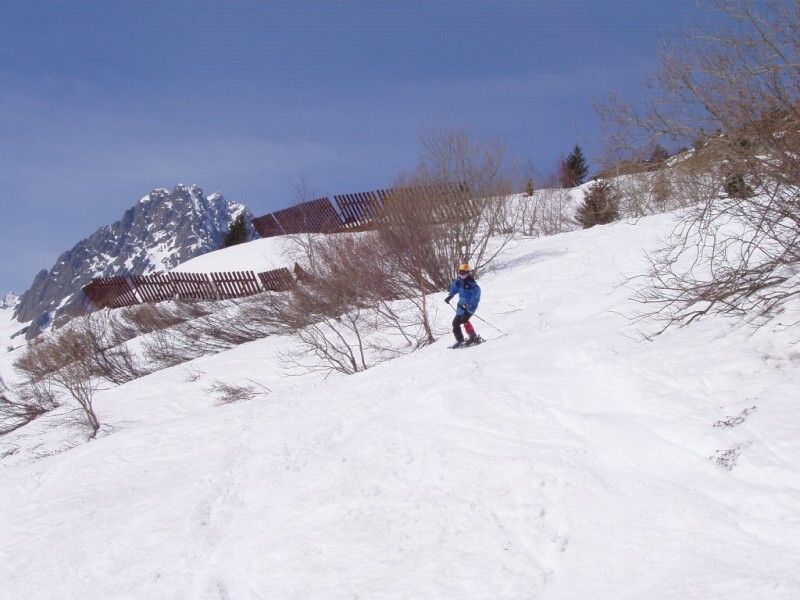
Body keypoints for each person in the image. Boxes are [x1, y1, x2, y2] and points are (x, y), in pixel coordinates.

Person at [444, 263, 481, 347]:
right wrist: (450, 296)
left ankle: (473, 337)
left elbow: (476, 298)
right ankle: (460, 340)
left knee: (464, 319)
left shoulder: (473, 285)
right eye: (460, 273)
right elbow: (454, 288)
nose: (461, 275)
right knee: (455, 323)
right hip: (461, 306)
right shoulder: (458, 282)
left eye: (463, 273)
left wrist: (469, 304)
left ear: (467, 273)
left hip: (470, 306)